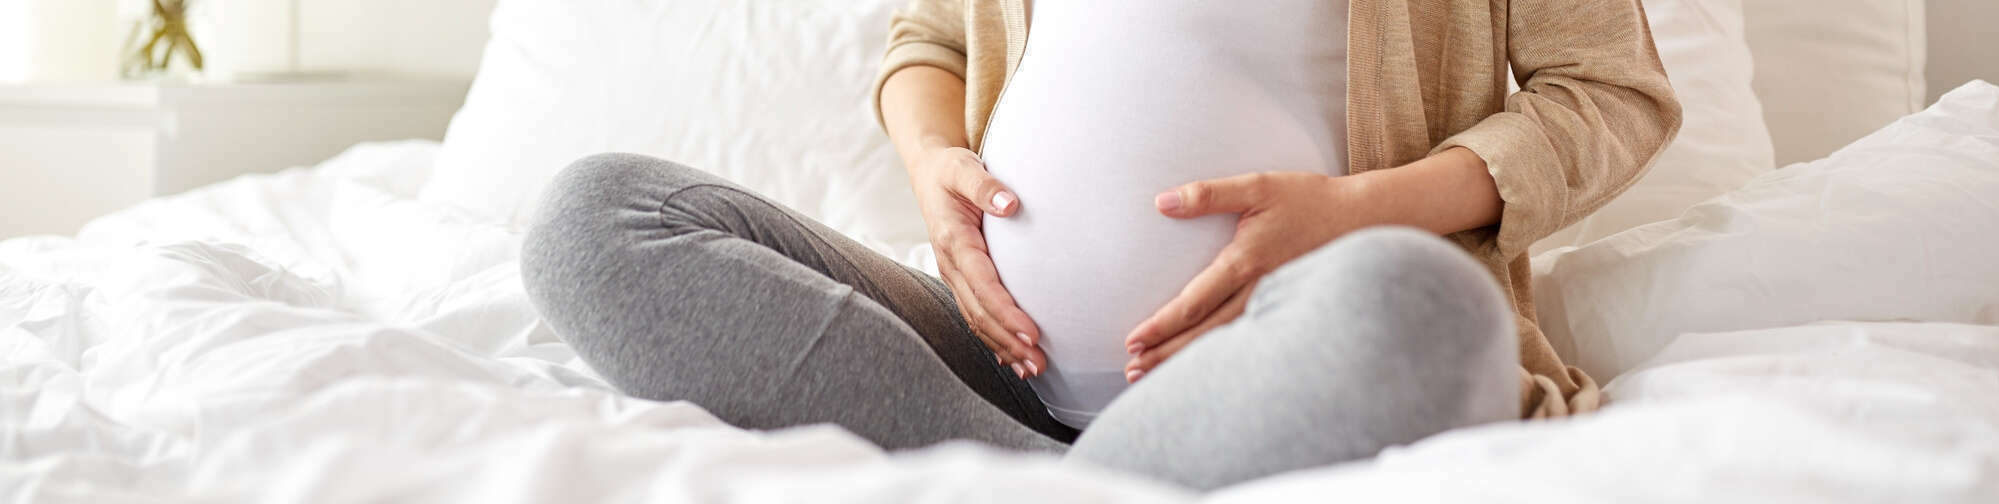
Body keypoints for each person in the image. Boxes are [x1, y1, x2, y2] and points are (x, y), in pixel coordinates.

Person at [520, 0, 1680, 490]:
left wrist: (1356, 210)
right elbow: (927, 38)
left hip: (1290, 349)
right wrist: (934, 170)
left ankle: (993, 479)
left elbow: (1609, 93)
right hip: (991, 356)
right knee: (594, 221)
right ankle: (1058, 476)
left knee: (1426, 311)